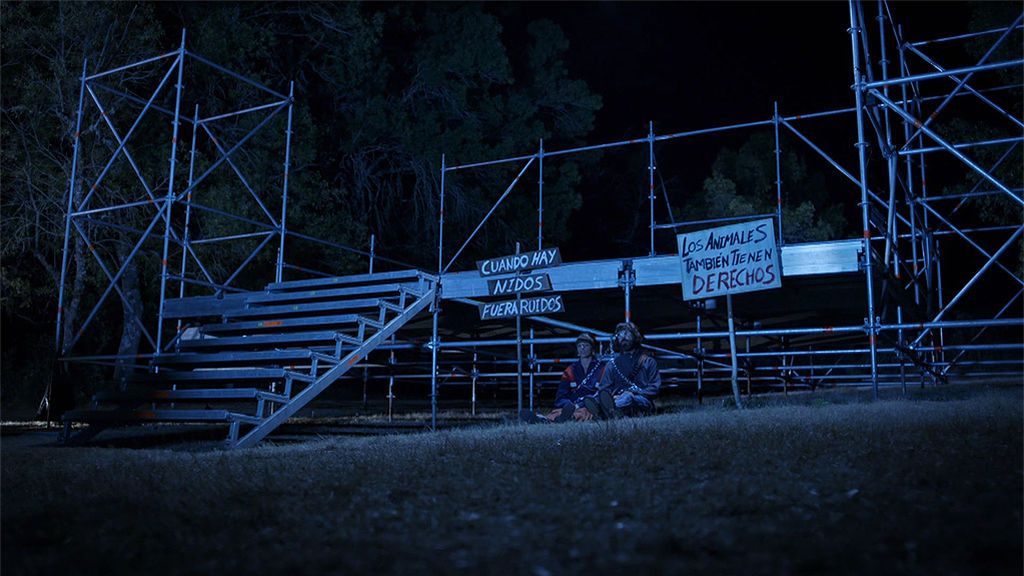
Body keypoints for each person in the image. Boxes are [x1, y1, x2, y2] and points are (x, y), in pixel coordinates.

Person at [520, 333, 606, 424]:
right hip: (572, 405)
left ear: (592, 348)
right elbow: (561, 395)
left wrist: (580, 405)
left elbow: (603, 393)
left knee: (583, 413)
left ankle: (565, 418)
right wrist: (569, 405)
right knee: (558, 412)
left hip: (590, 405)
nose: (582, 348)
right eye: (580, 346)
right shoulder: (570, 370)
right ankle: (543, 419)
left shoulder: (602, 369)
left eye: (586, 345)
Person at [584, 321, 660, 419]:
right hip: (617, 398)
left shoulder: (648, 361)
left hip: (641, 400)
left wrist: (633, 392)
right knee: (598, 397)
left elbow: (654, 388)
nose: (623, 337)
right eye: (619, 335)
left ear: (635, 336)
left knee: (628, 398)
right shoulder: (612, 364)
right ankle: (609, 410)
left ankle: (607, 411)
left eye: (627, 333)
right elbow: (604, 388)